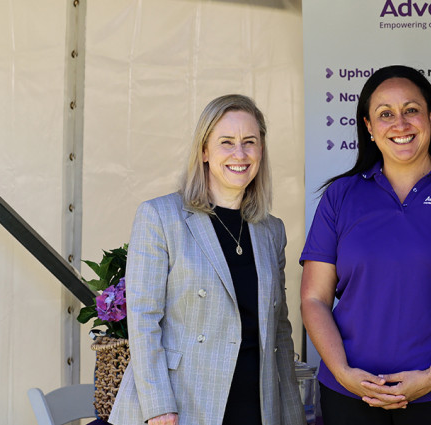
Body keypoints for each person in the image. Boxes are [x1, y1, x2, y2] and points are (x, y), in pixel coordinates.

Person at [300, 65, 431, 425]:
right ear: (368, 126)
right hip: (351, 396)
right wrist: (344, 373)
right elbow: (313, 299)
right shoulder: (340, 197)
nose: (400, 124)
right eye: (385, 114)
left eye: (411, 109)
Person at [109, 95, 305, 425]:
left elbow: (280, 331)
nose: (239, 154)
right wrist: (158, 407)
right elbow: (143, 320)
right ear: (204, 151)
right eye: (226, 142)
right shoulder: (160, 216)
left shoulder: (272, 231)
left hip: (258, 405)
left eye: (249, 142)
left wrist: (291, 412)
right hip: (183, 403)